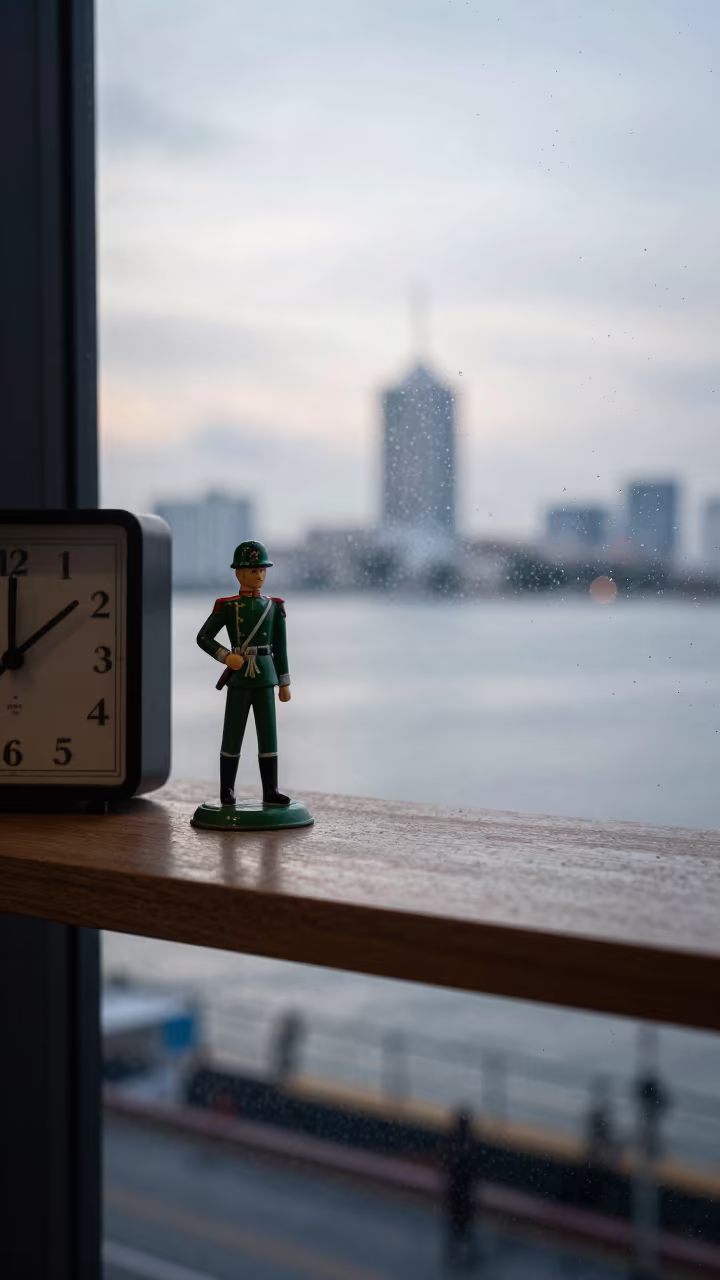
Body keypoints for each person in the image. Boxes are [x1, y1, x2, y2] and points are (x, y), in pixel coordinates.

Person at [196, 540, 291, 807]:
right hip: (239, 678)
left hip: (265, 677)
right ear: (239, 573)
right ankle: (227, 791)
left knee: (268, 735)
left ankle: (270, 790)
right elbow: (203, 637)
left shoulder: (274, 607)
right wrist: (226, 656)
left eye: (262, 570)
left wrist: (284, 682)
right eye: (253, 570)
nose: (259, 575)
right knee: (233, 733)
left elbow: (280, 648)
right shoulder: (227, 606)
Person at [443, 1108, 479, 1270]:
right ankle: (462, 1255)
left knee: (457, 1226)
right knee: (462, 1226)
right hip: (462, 1192)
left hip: (456, 1192)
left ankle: (455, 1254)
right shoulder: (467, 1143)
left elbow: (449, 1166)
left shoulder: (454, 1141)